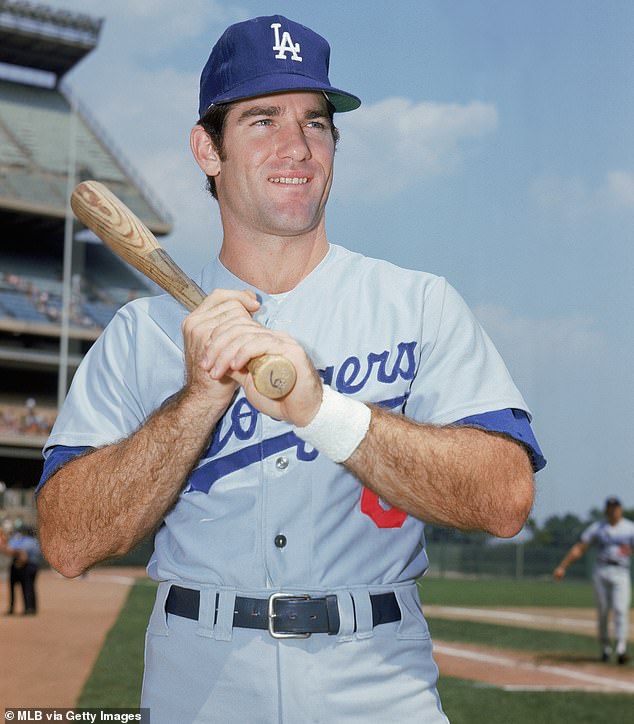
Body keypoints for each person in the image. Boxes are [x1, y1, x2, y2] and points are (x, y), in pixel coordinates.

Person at [36, 15, 546, 723]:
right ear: (206, 150)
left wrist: (322, 411)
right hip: (200, 677)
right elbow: (65, 540)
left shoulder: (417, 304)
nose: (297, 146)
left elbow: (504, 498)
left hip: (377, 678)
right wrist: (198, 397)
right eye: (262, 120)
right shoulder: (140, 333)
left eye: (316, 122)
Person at [554, 497, 633, 665]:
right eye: (610, 508)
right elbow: (580, 548)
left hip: (621, 571)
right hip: (602, 570)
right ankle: (605, 648)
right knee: (603, 612)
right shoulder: (598, 528)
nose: (613, 511)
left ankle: (620, 649)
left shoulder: (629, 528)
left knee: (620, 609)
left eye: (615, 507)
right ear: (606, 510)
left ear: (620, 509)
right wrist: (563, 566)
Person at [1, 524, 41, 615]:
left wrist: (20, 563)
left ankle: (14, 608)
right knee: (30, 587)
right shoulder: (35, 541)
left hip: (23, 566)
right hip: (34, 565)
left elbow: (22, 553)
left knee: (22, 587)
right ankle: (31, 608)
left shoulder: (20, 540)